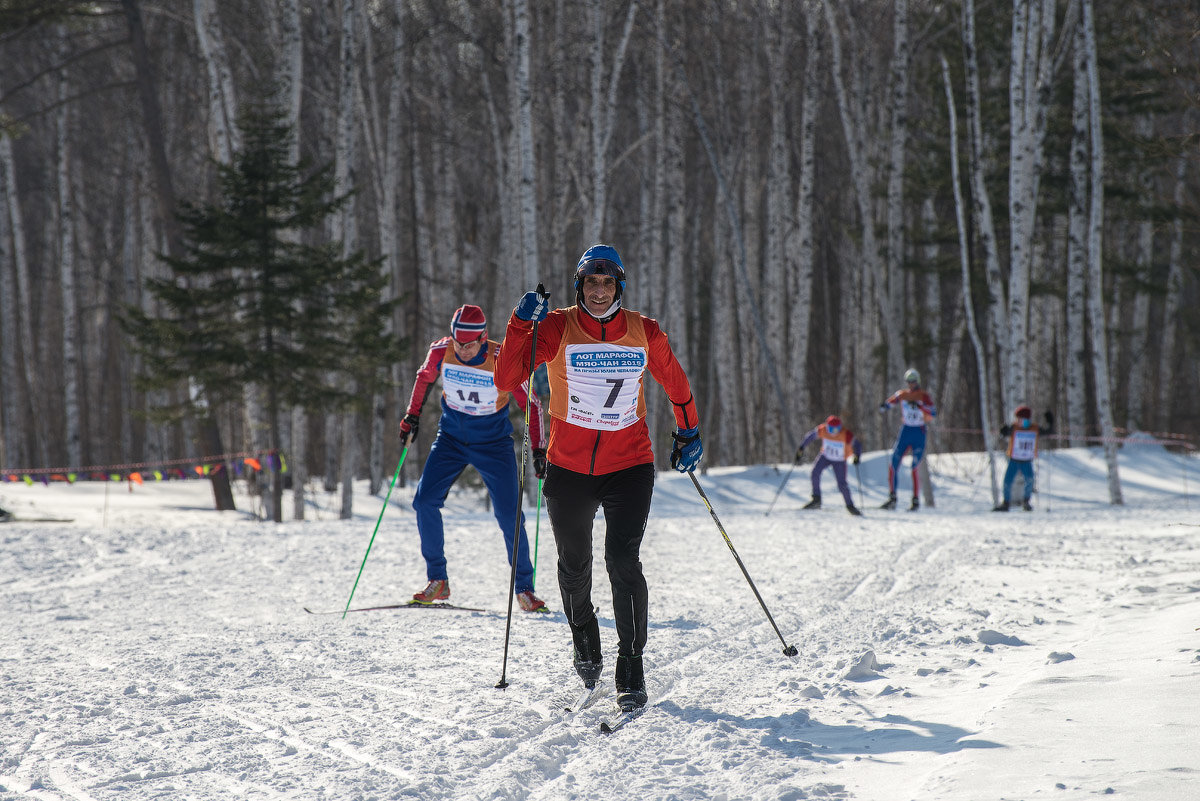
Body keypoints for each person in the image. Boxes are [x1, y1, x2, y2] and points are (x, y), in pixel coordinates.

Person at [495, 243, 701, 712]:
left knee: (623, 563)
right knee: (573, 568)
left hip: (630, 464)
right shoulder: (556, 327)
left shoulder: (643, 331)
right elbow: (508, 379)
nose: (600, 291)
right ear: (579, 285)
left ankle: (631, 667)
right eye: (592, 282)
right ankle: (583, 630)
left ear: (619, 287)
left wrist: (689, 429)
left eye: (608, 283)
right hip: (568, 467)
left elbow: (675, 380)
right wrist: (519, 325)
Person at [400, 304, 548, 612]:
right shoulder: (442, 350)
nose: (462, 349)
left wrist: (539, 448)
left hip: (493, 444)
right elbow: (423, 377)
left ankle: (524, 589)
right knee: (424, 501)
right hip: (451, 440)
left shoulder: (500, 359)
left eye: (468, 344)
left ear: (482, 338)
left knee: (510, 516)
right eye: (457, 342)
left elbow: (531, 403)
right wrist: (411, 416)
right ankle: (437, 580)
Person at [878, 368, 937, 511]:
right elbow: (890, 402)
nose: (911, 384)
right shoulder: (902, 394)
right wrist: (883, 406)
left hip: (919, 433)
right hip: (905, 431)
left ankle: (915, 501)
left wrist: (920, 406)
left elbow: (933, 413)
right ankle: (892, 498)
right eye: (909, 381)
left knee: (914, 467)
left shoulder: (924, 396)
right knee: (893, 464)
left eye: (914, 381)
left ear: (918, 382)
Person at [798, 415, 863, 516]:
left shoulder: (846, 434)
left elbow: (857, 445)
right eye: (831, 429)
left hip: (840, 460)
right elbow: (810, 436)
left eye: (836, 429)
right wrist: (801, 448)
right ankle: (816, 499)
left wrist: (857, 456)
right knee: (815, 473)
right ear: (827, 426)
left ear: (840, 427)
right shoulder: (823, 430)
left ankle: (850, 506)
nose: (833, 432)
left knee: (842, 484)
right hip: (825, 456)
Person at [993, 406, 1054, 512]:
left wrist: (1050, 422)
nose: (1019, 421)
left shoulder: (1035, 428)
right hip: (1014, 459)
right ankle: (1006, 503)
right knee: (1007, 481)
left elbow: (1048, 432)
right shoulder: (1014, 427)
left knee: (1030, 480)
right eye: (1018, 419)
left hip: (1027, 460)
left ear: (1027, 419)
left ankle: (1026, 502)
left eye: (1021, 419)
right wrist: (1003, 430)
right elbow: (1004, 433)